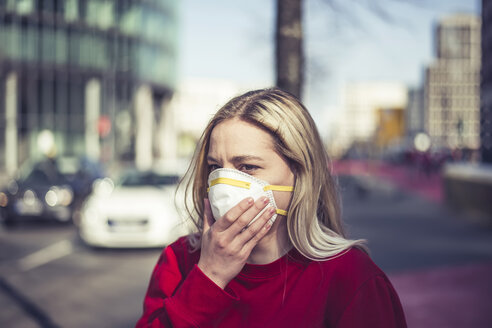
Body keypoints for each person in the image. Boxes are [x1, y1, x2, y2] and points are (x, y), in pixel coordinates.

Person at [136, 88, 407, 327]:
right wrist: (209, 276)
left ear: (301, 174)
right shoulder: (180, 260)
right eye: (215, 167)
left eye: (248, 167)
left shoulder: (350, 277)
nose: (224, 183)